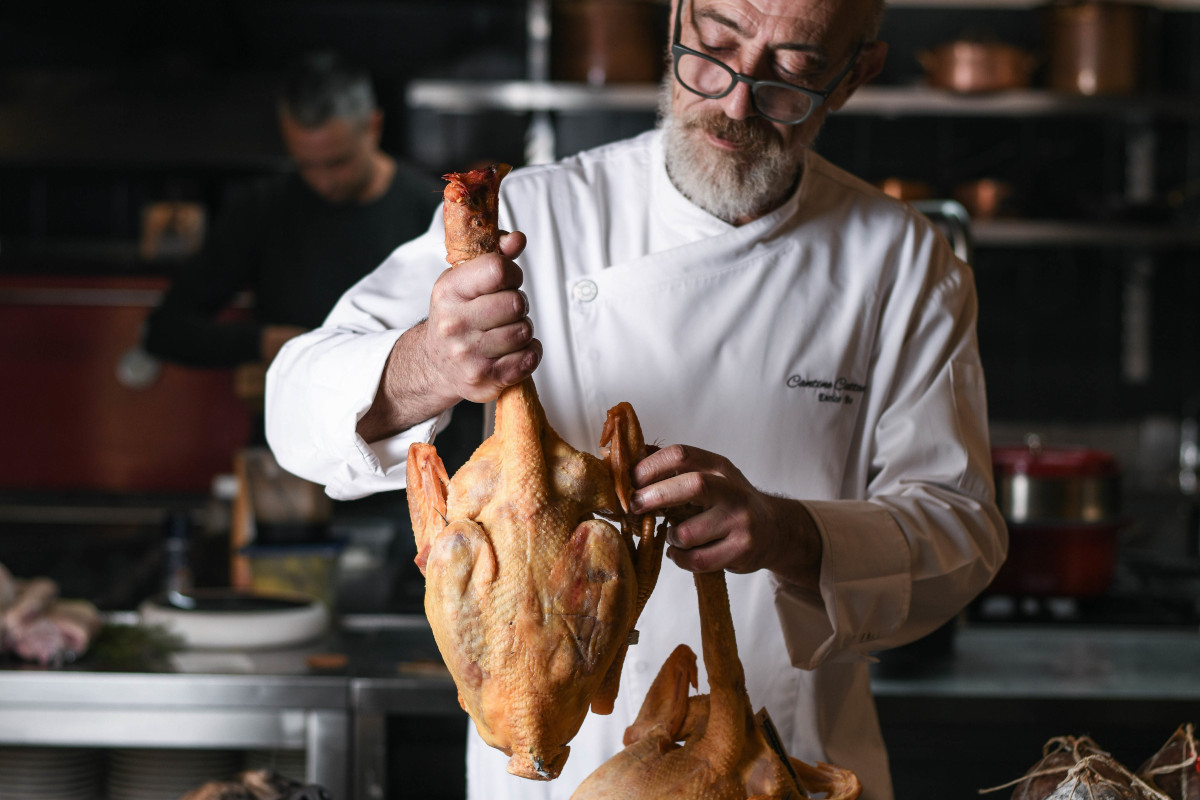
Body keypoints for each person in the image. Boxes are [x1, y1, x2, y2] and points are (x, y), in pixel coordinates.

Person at [265, 0, 1008, 796]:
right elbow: (296, 411)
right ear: (675, 17)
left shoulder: (904, 263)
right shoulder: (537, 213)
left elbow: (961, 534)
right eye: (715, 46)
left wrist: (792, 534)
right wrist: (428, 362)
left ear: (856, 74)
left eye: (791, 71)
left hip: (786, 767)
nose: (735, 101)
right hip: (555, 769)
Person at [143, 50, 443, 438]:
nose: (323, 182)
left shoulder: (432, 213)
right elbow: (166, 329)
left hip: (409, 452)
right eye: (306, 165)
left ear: (373, 126)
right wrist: (264, 343)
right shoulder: (263, 209)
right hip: (291, 458)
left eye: (338, 162)